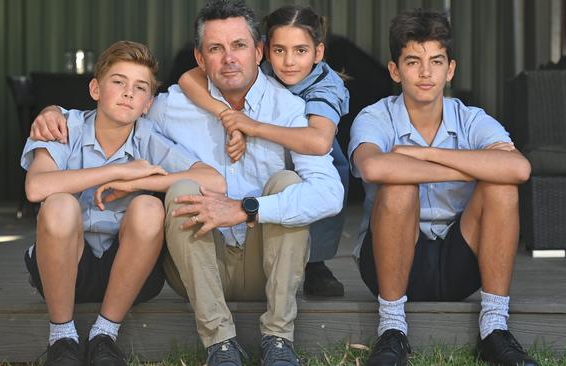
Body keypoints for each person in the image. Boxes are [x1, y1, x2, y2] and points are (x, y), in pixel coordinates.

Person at [27, 1, 343, 365]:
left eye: (239, 45)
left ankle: (278, 341)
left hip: (267, 264)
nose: (228, 59)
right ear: (199, 57)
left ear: (258, 51)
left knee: (287, 181)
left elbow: (330, 194)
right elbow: (121, 105)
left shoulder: (287, 110)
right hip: (196, 265)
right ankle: (220, 345)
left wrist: (245, 209)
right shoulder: (168, 107)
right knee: (180, 190)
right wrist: (52, 113)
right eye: (215, 48)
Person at [347, 10, 537, 366]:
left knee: (501, 188)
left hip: (459, 263)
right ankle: (391, 330)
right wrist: (471, 165)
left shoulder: (472, 118)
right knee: (398, 186)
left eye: (436, 61)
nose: (425, 73)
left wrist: (424, 154)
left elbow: (519, 168)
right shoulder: (375, 117)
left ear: (450, 69)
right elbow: (372, 166)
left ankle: (494, 329)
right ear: (394, 70)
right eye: (413, 61)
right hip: (389, 264)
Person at [21, 40, 224, 366]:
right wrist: (118, 169)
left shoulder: (147, 137)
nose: (129, 92)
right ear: (95, 88)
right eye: (118, 82)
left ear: (147, 103)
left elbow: (214, 180)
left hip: (130, 274)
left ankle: (105, 335)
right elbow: (36, 187)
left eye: (140, 87)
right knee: (59, 204)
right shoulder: (62, 126)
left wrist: (138, 182)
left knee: (149, 207)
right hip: (65, 268)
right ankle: (62, 338)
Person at [178, 4, 350, 298]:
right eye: (280, 50)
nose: (289, 61)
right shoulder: (262, 67)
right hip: (273, 153)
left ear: (318, 53)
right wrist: (229, 119)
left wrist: (252, 127)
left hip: (311, 145)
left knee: (312, 187)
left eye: (300, 51)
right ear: (265, 51)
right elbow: (188, 79)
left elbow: (319, 141)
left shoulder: (326, 86)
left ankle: (316, 263)